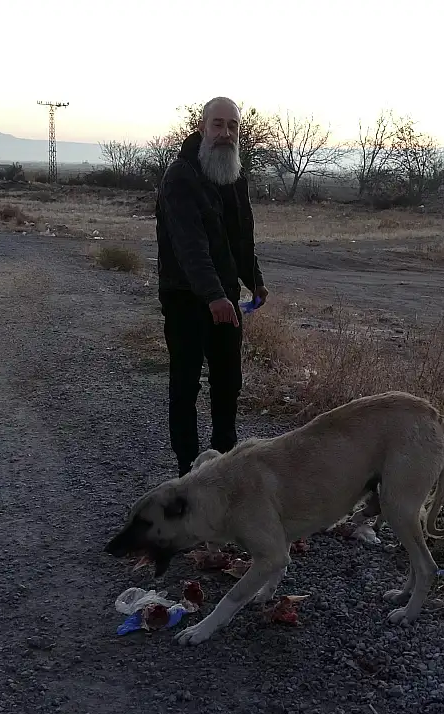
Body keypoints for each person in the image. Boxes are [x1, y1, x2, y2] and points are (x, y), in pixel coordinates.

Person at [155, 96, 269, 477]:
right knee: (185, 385)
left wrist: (254, 280)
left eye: (232, 126)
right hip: (186, 297)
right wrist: (214, 295)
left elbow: (239, 239)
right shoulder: (180, 177)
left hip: (224, 299)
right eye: (218, 124)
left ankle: (224, 467)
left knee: (228, 382)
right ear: (202, 128)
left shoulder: (234, 176)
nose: (225, 133)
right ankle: (188, 473)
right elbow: (191, 246)